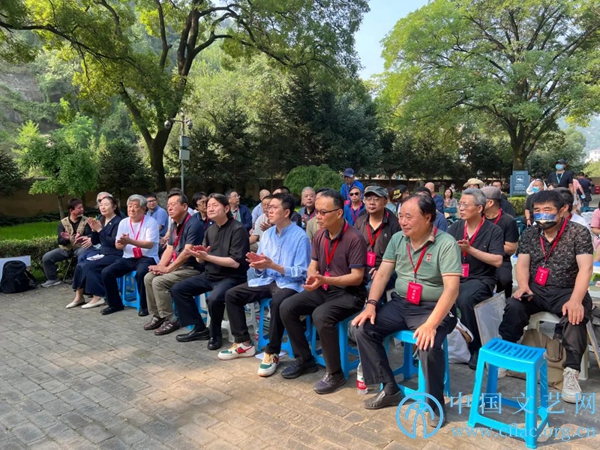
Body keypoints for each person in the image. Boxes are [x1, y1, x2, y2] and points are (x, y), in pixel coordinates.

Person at [352, 194, 461, 425]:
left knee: (428, 344)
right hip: (402, 303)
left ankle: (434, 404)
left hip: (433, 307)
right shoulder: (398, 239)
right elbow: (382, 274)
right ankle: (389, 387)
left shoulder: (446, 243)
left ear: (428, 217)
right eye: (400, 215)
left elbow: (452, 289)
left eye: (409, 217)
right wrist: (371, 305)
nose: (402, 221)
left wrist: (431, 325)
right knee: (363, 328)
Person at [499, 190, 593, 403]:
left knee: (575, 316)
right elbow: (522, 264)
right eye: (537, 210)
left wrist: (576, 300)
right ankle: (507, 354)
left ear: (562, 210)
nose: (542, 215)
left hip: (568, 290)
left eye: (547, 210)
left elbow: (585, 269)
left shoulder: (578, 232)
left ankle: (571, 372)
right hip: (537, 290)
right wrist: (524, 287)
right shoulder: (530, 234)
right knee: (514, 306)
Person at [279, 190, 366, 394]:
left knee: (321, 315)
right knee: (287, 307)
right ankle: (305, 359)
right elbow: (313, 264)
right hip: (325, 288)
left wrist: (325, 280)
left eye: (323, 212)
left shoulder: (354, 238)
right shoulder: (320, 234)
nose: (318, 216)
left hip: (350, 293)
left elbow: (357, 277)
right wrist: (312, 277)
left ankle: (335, 373)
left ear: (339, 212)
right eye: (317, 211)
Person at [218, 193, 311, 377]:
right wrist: (258, 265)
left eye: (274, 207)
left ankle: (272, 352)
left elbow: (302, 272)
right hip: (268, 280)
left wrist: (273, 266)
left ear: (286, 212)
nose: (269, 211)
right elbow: (262, 268)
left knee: (278, 302)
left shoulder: (300, 237)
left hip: (290, 284)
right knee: (232, 294)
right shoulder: (267, 234)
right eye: (268, 207)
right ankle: (243, 342)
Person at [172, 193, 249, 351]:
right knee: (178, 289)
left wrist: (207, 257)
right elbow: (201, 260)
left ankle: (215, 334)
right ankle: (199, 328)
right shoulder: (210, 230)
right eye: (208, 206)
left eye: (215, 205)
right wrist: (199, 255)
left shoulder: (238, 229)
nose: (210, 209)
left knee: (213, 299)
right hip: (209, 275)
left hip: (231, 277)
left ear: (226, 208)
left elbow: (235, 263)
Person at [447, 188, 504, 369]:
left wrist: (470, 250)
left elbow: (498, 261)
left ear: (479, 208)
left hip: (481, 278)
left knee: (464, 299)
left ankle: (476, 347)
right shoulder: (455, 227)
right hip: (456, 275)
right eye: (460, 204)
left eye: (465, 205)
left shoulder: (493, 230)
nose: (461, 208)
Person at [142, 192, 205, 336]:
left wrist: (168, 269)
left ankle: (171, 319)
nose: (169, 208)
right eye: (168, 205)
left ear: (184, 206)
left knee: (159, 282)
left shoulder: (194, 224)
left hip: (192, 268)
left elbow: (187, 252)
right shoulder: (174, 224)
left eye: (173, 205)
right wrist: (161, 267)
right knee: (149, 277)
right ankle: (158, 315)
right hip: (178, 267)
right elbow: (169, 248)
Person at [100, 195, 160, 316]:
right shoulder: (124, 222)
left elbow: (149, 244)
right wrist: (122, 243)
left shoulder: (151, 222)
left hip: (147, 257)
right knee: (107, 272)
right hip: (128, 257)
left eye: (135, 206)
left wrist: (129, 241)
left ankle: (145, 306)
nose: (131, 209)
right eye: (129, 206)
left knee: (141, 273)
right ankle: (115, 304)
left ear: (143, 209)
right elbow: (118, 246)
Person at [66, 196, 123, 309]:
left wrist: (99, 230)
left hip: (115, 254)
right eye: (101, 205)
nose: (103, 207)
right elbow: (96, 241)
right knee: (81, 264)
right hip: (103, 252)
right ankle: (79, 296)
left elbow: (113, 242)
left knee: (90, 265)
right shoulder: (102, 220)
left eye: (106, 204)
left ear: (114, 207)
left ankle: (98, 296)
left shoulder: (119, 222)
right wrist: (94, 230)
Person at [353, 185, 401, 301]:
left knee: (372, 287)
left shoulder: (395, 225)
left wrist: (381, 269)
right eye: (368, 199)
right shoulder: (360, 222)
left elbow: (400, 256)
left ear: (385, 201)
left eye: (376, 199)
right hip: (362, 267)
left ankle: (373, 310)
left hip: (386, 269)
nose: (372, 203)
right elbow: (353, 248)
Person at [41, 198, 93, 288]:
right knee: (47, 257)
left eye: (82, 207)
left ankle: (78, 278)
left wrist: (82, 238)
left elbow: (90, 236)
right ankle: (53, 279)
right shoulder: (62, 223)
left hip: (80, 248)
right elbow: (60, 241)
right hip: (66, 249)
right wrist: (66, 239)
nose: (82, 209)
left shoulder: (86, 221)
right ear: (71, 210)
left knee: (82, 253)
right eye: (79, 208)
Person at [481, 187, 519, 297]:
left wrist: (487, 246)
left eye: (480, 199)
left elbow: (511, 248)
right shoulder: (477, 218)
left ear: (490, 202)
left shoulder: (508, 221)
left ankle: (505, 302)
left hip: (501, 259)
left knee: (505, 279)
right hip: (479, 259)